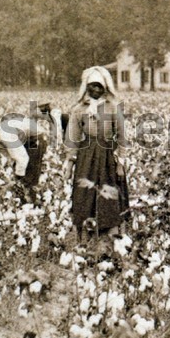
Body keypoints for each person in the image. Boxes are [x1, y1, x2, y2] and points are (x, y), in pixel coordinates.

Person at [63, 66, 129, 238]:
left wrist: (121, 162)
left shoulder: (113, 107)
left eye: (100, 86)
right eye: (93, 86)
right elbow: (73, 137)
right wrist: (70, 162)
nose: (96, 90)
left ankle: (109, 229)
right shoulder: (79, 109)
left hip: (107, 155)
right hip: (86, 155)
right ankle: (85, 230)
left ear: (105, 88)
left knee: (109, 190)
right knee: (84, 190)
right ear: (87, 87)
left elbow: (122, 135)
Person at [0, 102, 64, 203]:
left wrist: (17, 179)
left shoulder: (4, 134)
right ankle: (25, 200)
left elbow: (22, 158)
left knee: (29, 178)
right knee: (23, 177)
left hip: (35, 140)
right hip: (29, 140)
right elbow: (12, 157)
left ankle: (31, 203)